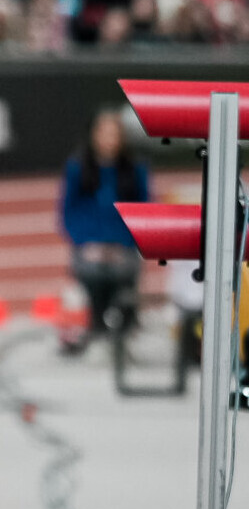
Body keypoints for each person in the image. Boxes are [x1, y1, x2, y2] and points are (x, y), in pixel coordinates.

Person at [58, 108, 148, 354]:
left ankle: (126, 326)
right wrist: (88, 243)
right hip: (89, 247)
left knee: (124, 270)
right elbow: (68, 213)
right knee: (91, 270)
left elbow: (144, 211)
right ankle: (96, 327)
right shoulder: (77, 168)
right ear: (94, 135)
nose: (110, 139)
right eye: (104, 133)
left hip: (123, 247)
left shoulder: (135, 169)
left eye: (114, 133)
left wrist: (124, 243)